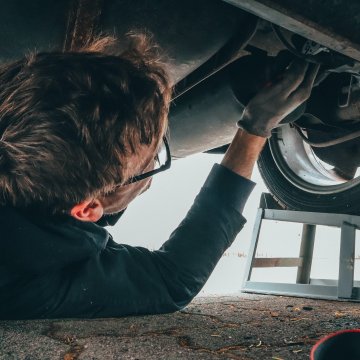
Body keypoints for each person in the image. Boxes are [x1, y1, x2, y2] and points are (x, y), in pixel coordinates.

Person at [0, 34, 319, 319]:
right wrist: (254, 128)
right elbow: (172, 280)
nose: (152, 174)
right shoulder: (35, 280)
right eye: (151, 163)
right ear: (86, 209)